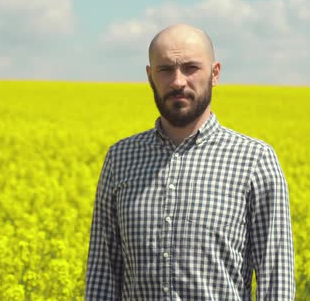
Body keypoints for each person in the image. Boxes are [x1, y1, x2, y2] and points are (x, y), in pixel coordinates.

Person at [85, 23, 295, 300]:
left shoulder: (255, 160)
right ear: (150, 77)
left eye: (191, 68)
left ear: (215, 73)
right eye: (165, 70)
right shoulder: (119, 158)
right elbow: (102, 272)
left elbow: (275, 279)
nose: (177, 82)